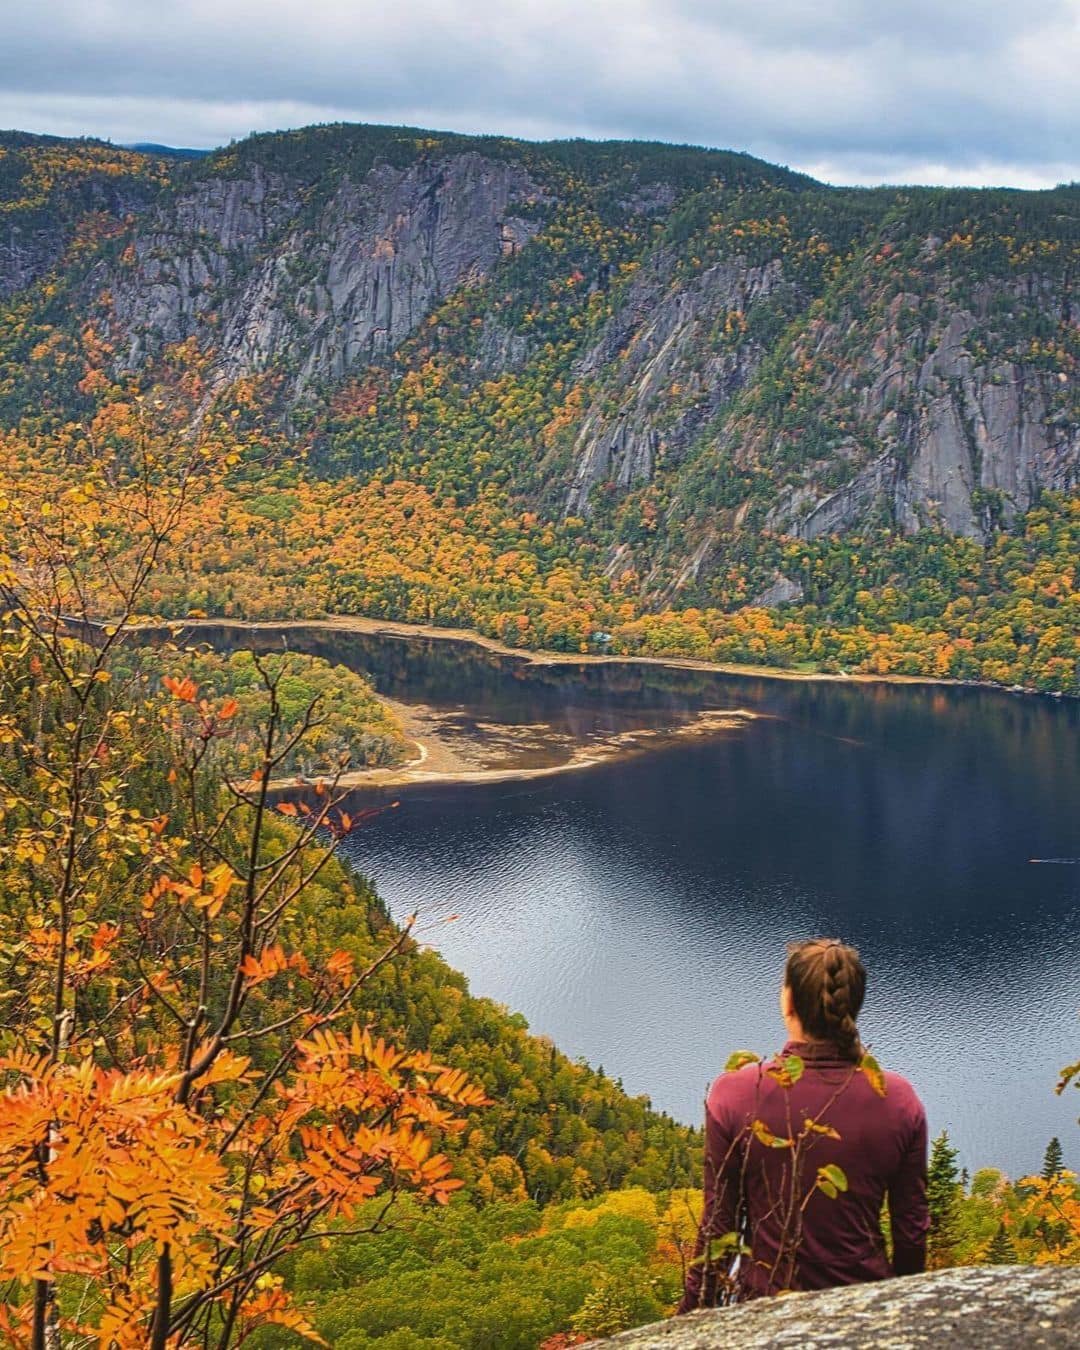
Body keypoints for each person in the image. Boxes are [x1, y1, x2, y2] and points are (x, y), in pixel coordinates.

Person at [678, 938, 929, 1311]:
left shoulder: (735, 1094)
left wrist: (690, 1319)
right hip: (867, 1306)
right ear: (853, 1004)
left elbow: (719, 1226)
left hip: (764, 1310)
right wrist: (903, 1310)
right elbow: (911, 1231)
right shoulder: (897, 1099)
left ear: (788, 1001)